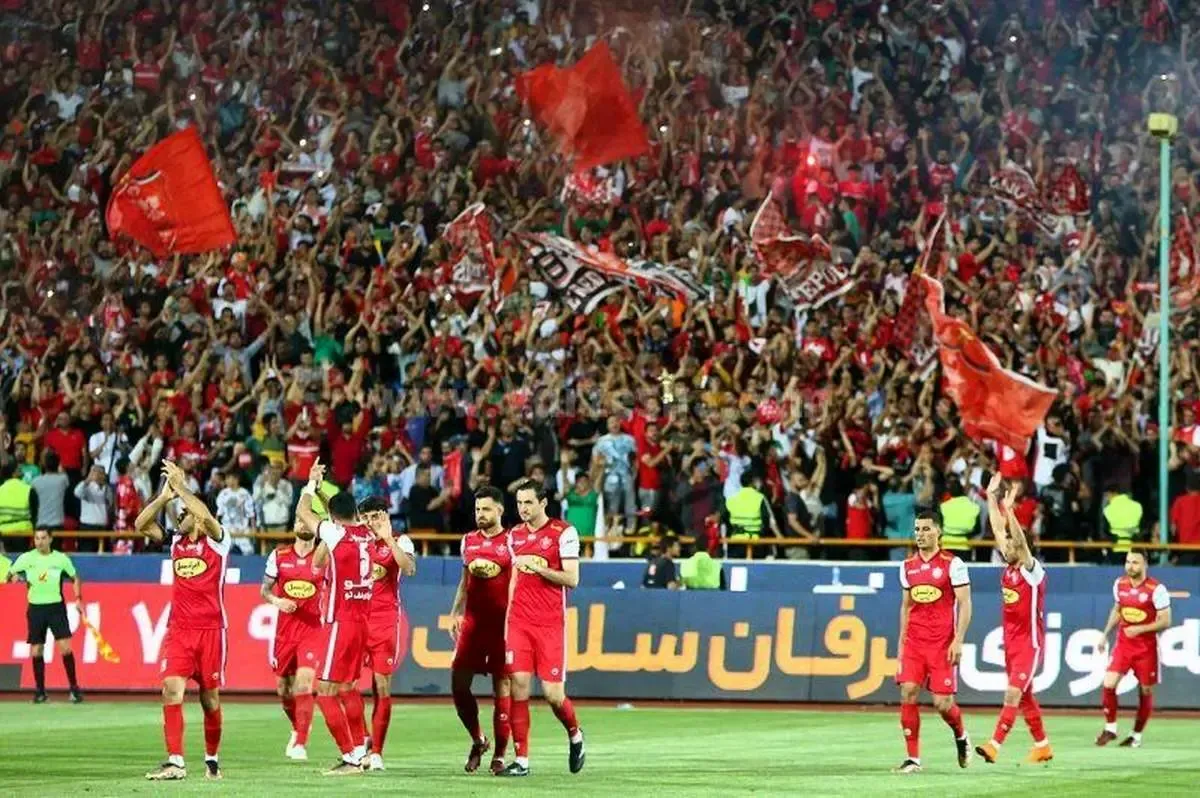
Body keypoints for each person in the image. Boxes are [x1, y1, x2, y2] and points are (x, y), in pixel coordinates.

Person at [135, 461, 230, 781]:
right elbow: (140, 524)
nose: (181, 516)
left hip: (211, 631)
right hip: (180, 630)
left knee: (209, 699)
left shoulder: (218, 540)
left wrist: (182, 486)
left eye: (185, 512)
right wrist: (165, 497)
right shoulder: (176, 542)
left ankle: (212, 759)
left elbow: (204, 515)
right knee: (170, 689)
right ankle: (175, 762)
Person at [496, 480, 585, 778]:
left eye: (528, 503)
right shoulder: (514, 536)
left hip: (550, 625)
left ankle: (575, 734)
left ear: (543, 503)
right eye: (519, 503)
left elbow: (572, 579)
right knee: (518, 686)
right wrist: (507, 619)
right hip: (519, 622)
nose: (523, 509)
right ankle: (521, 760)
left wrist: (538, 567)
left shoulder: (563, 533)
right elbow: (514, 579)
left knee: (552, 695)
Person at [294, 458, 375, 776]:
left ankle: (350, 757)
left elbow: (304, 512)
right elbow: (338, 513)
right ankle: (362, 750)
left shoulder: (336, 534)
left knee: (325, 691)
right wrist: (327, 498)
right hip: (363, 621)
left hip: (341, 621)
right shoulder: (367, 533)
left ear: (332, 516)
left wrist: (311, 483)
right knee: (348, 687)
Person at [974, 476, 1052, 765]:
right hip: (1011, 642)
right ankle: (1042, 746)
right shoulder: (1008, 567)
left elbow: (1017, 538)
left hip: (1030, 644)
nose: (1005, 547)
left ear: (1022, 548)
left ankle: (994, 745)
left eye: (1010, 545)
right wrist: (991, 497)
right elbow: (998, 528)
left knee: (1013, 693)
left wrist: (1010, 511)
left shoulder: (1033, 572)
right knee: (1025, 696)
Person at [894, 508, 973, 774]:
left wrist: (958, 640)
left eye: (926, 529)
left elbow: (965, 604)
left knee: (943, 704)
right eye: (917, 529)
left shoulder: (953, 564)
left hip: (942, 645)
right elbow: (906, 607)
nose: (920, 534)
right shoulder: (907, 567)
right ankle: (913, 758)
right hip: (914, 643)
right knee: (908, 691)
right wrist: (901, 644)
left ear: (939, 531)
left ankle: (960, 734)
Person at [448, 486, 513, 775]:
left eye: (486, 509)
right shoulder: (468, 540)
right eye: (477, 509)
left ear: (500, 510)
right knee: (458, 685)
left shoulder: (511, 541)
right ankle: (479, 739)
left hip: (501, 625)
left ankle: (499, 756)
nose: (480, 514)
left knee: (502, 689)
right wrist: (455, 612)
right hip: (473, 625)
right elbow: (465, 582)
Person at [261, 515, 328, 762]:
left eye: (308, 522)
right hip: (285, 632)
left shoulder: (324, 558)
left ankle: (301, 742)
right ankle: (297, 727)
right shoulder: (279, 556)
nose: (304, 525)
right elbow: (265, 591)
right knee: (284, 689)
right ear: (294, 526)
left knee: (304, 683)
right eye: (300, 521)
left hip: (312, 630)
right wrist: (278, 601)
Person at [358, 495, 417, 771]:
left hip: (384, 622)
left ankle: (377, 752)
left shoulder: (400, 541)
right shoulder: (357, 542)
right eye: (365, 517)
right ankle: (362, 740)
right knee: (343, 685)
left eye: (375, 516)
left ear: (385, 515)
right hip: (355, 621)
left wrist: (388, 539)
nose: (370, 522)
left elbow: (410, 568)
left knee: (381, 687)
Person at [1095, 549, 1172, 748]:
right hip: (1124, 644)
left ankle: (1135, 735)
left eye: (1135, 562)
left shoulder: (1157, 589)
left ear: (1145, 564)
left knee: (1145, 690)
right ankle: (1110, 728)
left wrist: (1140, 629)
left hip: (1146, 648)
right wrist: (1105, 634)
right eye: (1128, 562)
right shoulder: (1119, 584)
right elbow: (1117, 610)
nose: (1130, 566)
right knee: (1109, 683)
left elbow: (1166, 621)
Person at [8, 529, 83, 703]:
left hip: (56, 607)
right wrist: (14, 577)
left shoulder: (60, 559)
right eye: (37, 538)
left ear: (50, 539)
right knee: (36, 650)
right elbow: (10, 574)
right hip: (36, 608)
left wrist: (78, 598)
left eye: (43, 538)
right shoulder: (26, 558)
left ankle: (74, 689)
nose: (40, 542)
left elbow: (75, 578)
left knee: (65, 648)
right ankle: (40, 691)